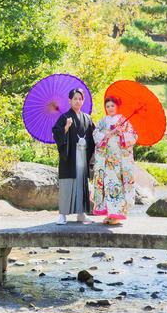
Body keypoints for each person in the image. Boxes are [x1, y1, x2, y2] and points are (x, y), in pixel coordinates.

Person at [51, 88, 96, 225]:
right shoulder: (64, 117)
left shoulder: (87, 118)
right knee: (67, 184)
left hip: (83, 155)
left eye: (80, 99)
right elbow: (56, 134)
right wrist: (66, 127)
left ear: (83, 101)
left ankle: (81, 214)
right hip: (70, 157)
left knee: (82, 184)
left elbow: (95, 136)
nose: (77, 101)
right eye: (75, 98)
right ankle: (62, 215)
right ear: (69, 100)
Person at [92, 96, 138, 225]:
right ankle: (109, 214)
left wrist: (121, 134)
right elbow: (95, 134)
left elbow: (133, 136)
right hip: (106, 158)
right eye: (107, 106)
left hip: (119, 160)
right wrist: (107, 134)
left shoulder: (124, 121)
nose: (110, 108)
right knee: (106, 184)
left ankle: (117, 215)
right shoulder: (102, 121)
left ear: (117, 106)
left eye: (112, 105)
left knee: (117, 185)